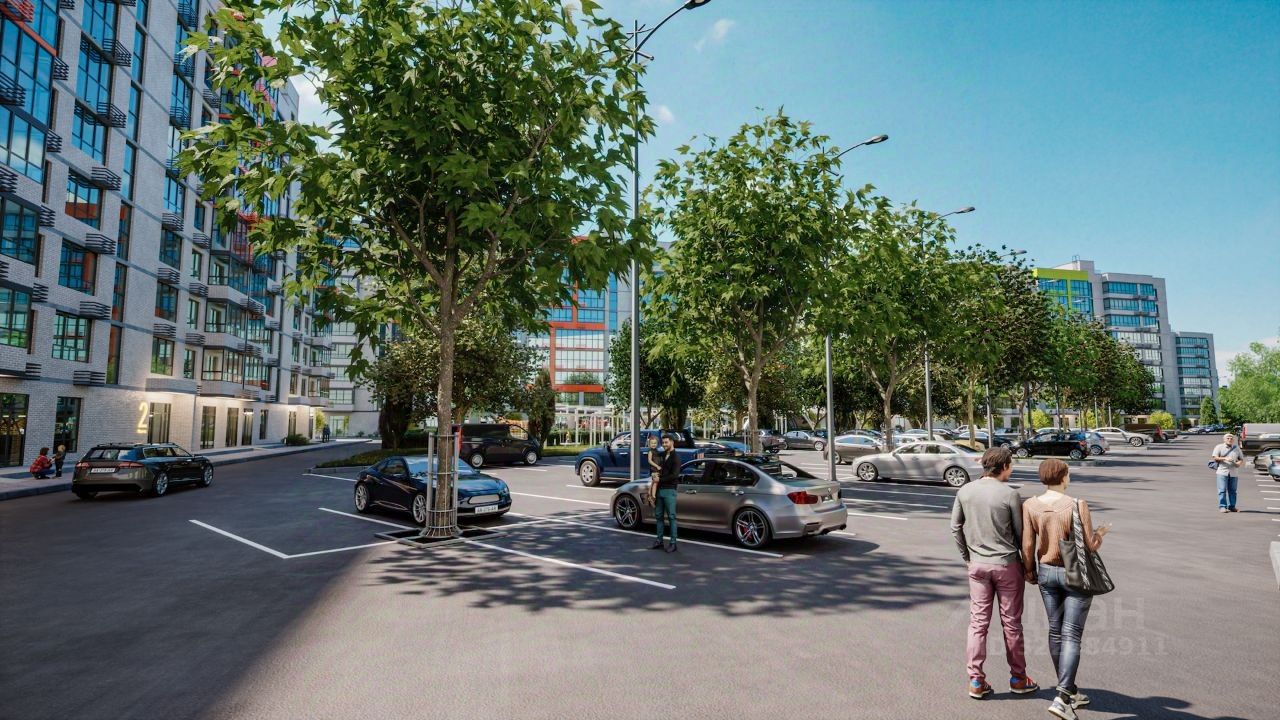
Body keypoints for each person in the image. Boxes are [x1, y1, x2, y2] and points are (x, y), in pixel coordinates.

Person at [1022, 459, 1110, 720]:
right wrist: (1101, 533)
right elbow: (1089, 545)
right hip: (1075, 574)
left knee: (1055, 631)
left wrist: (1029, 570)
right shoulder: (1076, 504)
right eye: (1068, 474)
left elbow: (1028, 544)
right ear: (1062, 477)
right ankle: (1062, 698)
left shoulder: (1030, 505)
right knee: (1071, 634)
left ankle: (1069, 690)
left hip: (1046, 572)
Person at [950, 446, 1038, 700]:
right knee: (1012, 624)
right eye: (1011, 464)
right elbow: (1021, 536)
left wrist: (967, 557)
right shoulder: (1010, 494)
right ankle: (1018, 678)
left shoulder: (965, 490)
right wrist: (1029, 568)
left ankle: (976, 680)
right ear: (1004, 466)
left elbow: (955, 527)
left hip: (977, 566)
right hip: (1007, 565)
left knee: (978, 624)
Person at [652, 433, 680, 553]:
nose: (664, 445)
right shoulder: (662, 455)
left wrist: (660, 479)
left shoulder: (676, 458)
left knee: (671, 517)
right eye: (663, 443)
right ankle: (659, 541)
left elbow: (674, 475)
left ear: (672, 442)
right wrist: (654, 474)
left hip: (670, 490)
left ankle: (673, 543)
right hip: (660, 490)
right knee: (658, 516)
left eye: (666, 442)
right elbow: (654, 464)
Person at [1210, 433, 1244, 513]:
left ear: (1233, 440)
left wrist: (1239, 463)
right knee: (1222, 490)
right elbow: (1215, 457)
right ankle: (1222, 507)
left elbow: (1241, 459)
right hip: (1222, 472)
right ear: (1224, 439)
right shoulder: (1219, 447)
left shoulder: (1236, 448)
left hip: (1234, 472)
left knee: (1233, 491)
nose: (1229, 439)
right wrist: (1225, 458)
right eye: (1228, 438)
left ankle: (1232, 506)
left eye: (1231, 438)